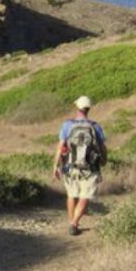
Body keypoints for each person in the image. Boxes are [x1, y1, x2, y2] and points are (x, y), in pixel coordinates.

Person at [52, 95, 107, 236]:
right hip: (90, 167)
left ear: (77, 107)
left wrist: (55, 166)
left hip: (70, 166)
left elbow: (60, 147)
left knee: (71, 195)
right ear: (89, 108)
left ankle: (72, 223)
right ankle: (74, 223)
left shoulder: (67, 125)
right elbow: (102, 147)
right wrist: (104, 160)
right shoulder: (95, 126)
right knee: (84, 196)